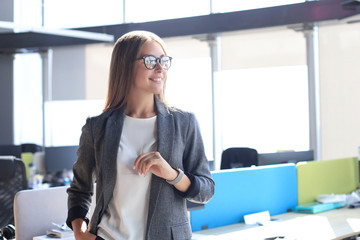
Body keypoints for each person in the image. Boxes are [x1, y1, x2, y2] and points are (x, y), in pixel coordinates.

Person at [66, 30, 215, 240]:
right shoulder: (97, 127)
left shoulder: (184, 122)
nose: (160, 68)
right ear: (125, 65)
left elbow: (206, 190)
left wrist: (172, 174)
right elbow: (80, 190)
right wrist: (80, 233)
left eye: (163, 60)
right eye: (150, 60)